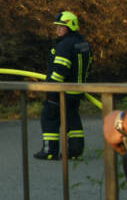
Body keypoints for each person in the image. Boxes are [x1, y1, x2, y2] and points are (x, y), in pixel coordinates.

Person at [33, 11, 91, 161]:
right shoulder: (83, 43)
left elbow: (60, 69)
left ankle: (49, 151)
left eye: (61, 27)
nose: (58, 30)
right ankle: (75, 152)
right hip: (77, 90)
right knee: (72, 118)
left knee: (49, 118)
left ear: (70, 27)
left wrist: (51, 88)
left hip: (61, 90)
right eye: (57, 27)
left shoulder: (65, 45)